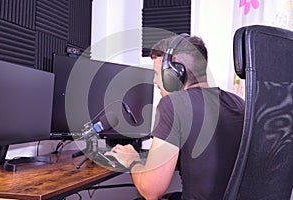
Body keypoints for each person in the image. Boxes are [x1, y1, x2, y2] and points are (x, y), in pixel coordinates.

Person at [105, 34, 245, 200]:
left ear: (175, 72)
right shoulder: (238, 102)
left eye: (157, 74)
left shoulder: (173, 104)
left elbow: (151, 190)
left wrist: (132, 160)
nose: (155, 81)